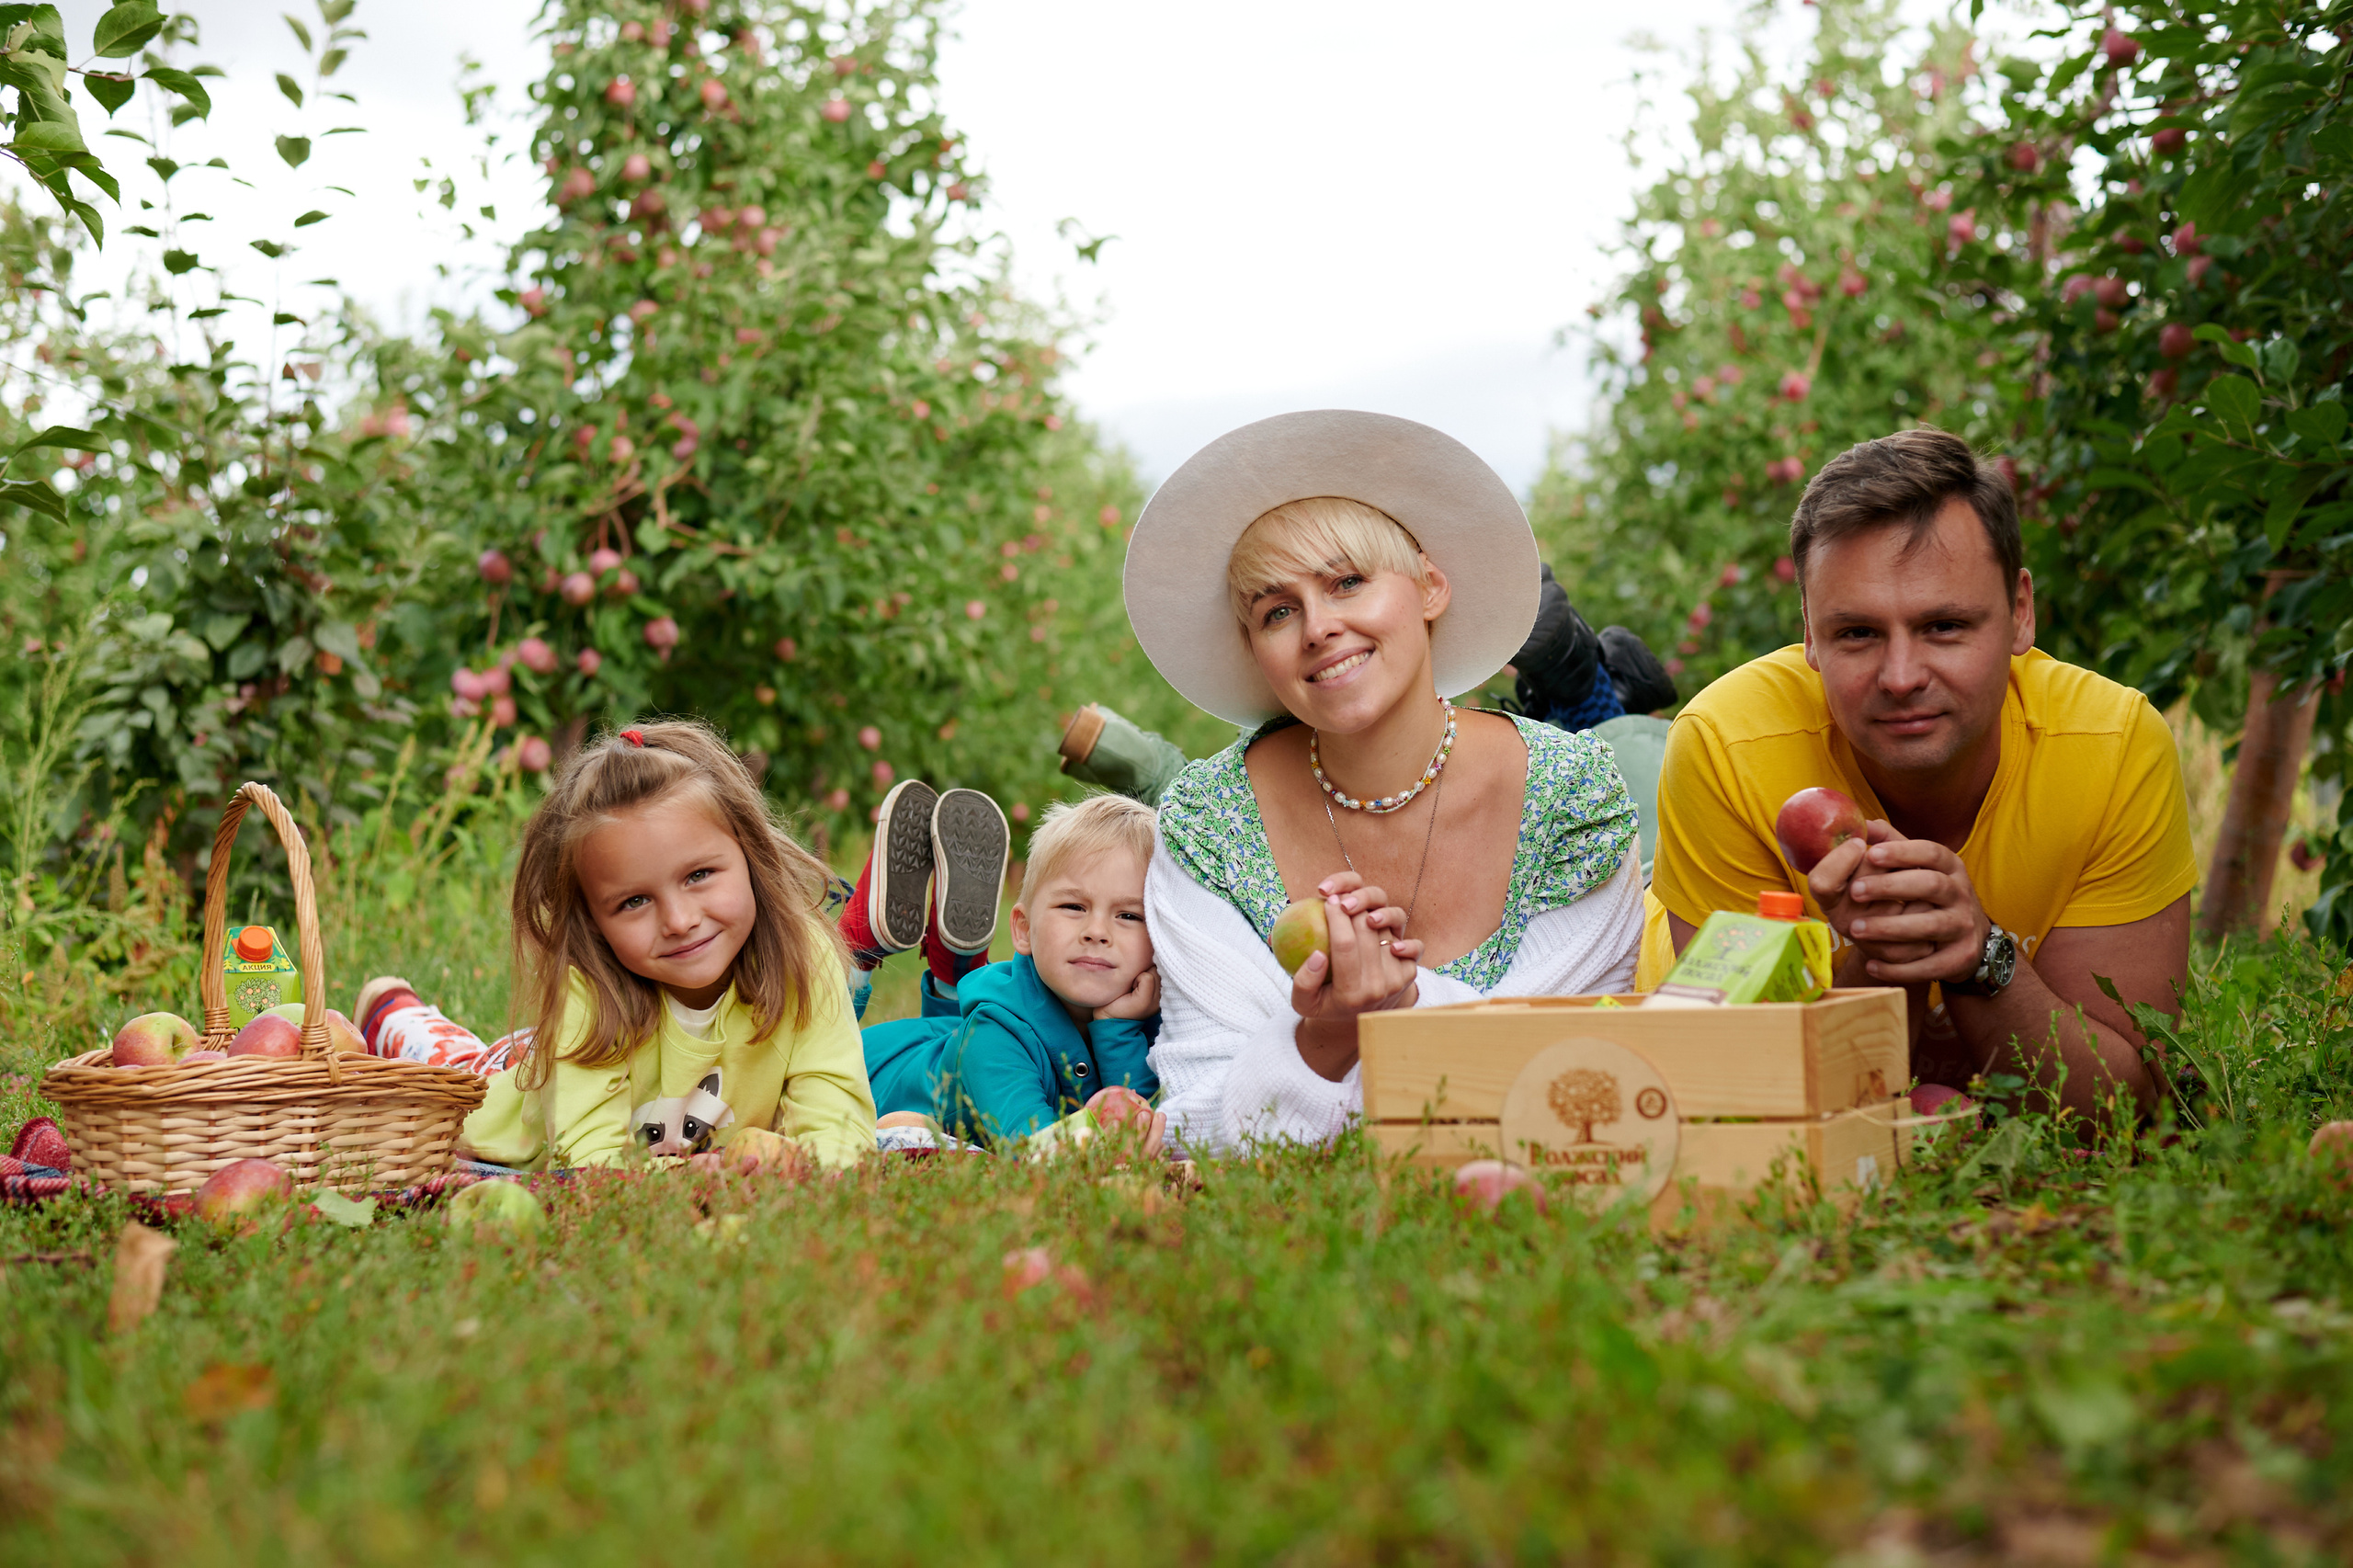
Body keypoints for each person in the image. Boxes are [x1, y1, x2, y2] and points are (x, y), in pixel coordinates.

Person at [1124, 410, 1646, 1154]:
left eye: (1347, 582)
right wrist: (1330, 1036)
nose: (1317, 627)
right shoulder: (1208, 822)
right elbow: (1199, 1118)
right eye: (1277, 611)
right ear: (1256, 649)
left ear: (1430, 586)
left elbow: (1571, 1082)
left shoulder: (1569, 794)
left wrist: (1371, 1020)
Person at [1642, 428, 2198, 1116]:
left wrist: (1981, 958)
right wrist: (1884, 948)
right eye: (1857, 634)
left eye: (1944, 626)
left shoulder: (2114, 748)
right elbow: (1743, 1099)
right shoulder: (1727, 745)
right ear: (1809, 634)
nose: (1901, 678)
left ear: (2021, 612)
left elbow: (2125, 1104)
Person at [355, 720, 876, 1171]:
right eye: (633, 902)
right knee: (456, 1068)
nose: (678, 920)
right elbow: (590, 1163)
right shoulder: (593, 987)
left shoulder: (802, 957)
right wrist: (694, 1182)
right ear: (592, 921)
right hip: (524, 1101)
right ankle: (391, 1010)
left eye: (699, 874)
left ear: (750, 855)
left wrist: (808, 1169)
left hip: (570, 1056)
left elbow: (840, 1123)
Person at [855, 791, 1166, 1152]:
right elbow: (1035, 1150)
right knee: (815, 1034)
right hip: (879, 1068)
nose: (1097, 931)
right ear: (1024, 929)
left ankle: (951, 972)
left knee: (959, 1035)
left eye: (1128, 915)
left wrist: (1119, 1029)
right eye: (1073, 906)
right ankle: (855, 951)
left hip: (957, 1037)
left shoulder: (1159, 1016)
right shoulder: (995, 1035)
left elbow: (1160, 1128)